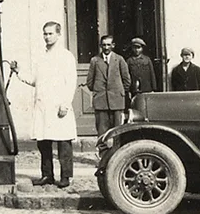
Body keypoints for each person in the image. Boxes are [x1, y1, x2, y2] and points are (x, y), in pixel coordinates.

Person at [13, 21, 77, 188]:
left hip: (59, 107)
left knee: (63, 143)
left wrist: (66, 103)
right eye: (45, 34)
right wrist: (19, 72)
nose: (47, 37)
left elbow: (71, 82)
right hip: (43, 106)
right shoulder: (41, 56)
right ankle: (47, 175)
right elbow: (35, 80)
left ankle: (65, 177)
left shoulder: (66, 56)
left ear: (58, 34)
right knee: (44, 143)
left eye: (50, 34)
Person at [85, 35, 131, 135]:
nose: (106, 47)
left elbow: (126, 81)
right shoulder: (95, 60)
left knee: (118, 132)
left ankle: (117, 150)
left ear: (113, 45)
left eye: (108, 45)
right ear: (100, 46)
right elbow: (90, 82)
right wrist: (99, 91)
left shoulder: (119, 60)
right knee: (102, 132)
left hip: (117, 101)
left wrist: (118, 92)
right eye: (104, 45)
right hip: (101, 102)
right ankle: (103, 151)